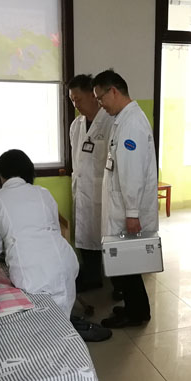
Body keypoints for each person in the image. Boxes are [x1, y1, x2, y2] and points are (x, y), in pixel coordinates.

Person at [92, 69, 159, 329]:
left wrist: (132, 213)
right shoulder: (124, 119)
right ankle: (135, 308)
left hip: (128, 210)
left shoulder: (131, 124)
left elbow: (132, 173)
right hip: (123, 207)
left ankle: (137, 313)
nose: (100, 103)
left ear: (113, 91)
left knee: (130, 265)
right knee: (126, 265)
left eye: (100, 98)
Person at [0, 149, 78, 318]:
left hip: (30, 270)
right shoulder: (43, 193)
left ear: (0, 175)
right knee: (64, 313)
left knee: (43, 319)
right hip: (63, 260)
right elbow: (55, 228)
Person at [68, 74, 115, 294]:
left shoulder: (110, 122)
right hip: (82, 190)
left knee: (107, 238)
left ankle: (118, 283)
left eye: (78, 99)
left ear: (92, 95)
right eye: (72, 100)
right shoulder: (76, 125)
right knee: (85, 235)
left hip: (102, 191)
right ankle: (92, 277)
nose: (75, 104)